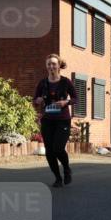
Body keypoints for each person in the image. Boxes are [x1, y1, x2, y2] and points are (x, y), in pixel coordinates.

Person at [33, 54, 77, 188]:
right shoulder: (42, 83)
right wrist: (37, 101)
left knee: (58, 148)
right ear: (46, 67)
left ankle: (67, 169)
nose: (51, 66)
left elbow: (75, 98)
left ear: (58, 65)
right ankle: (58, 178)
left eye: (53, 64)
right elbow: (35, 100)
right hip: (47, 120)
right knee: (49, 151)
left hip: (62, 120)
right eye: (49, 64)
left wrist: (66, 102)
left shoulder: (65, 82)